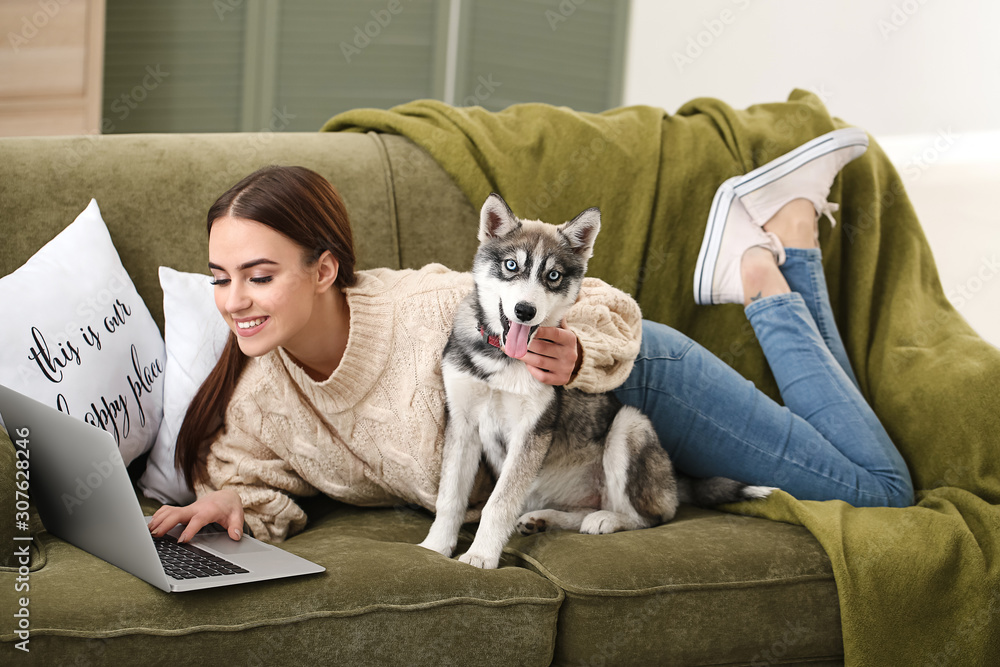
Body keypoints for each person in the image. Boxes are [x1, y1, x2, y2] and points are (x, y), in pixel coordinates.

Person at [148, 129, 913, 545]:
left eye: (257, 274)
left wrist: (579, 351)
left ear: (323, 270)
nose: (234, 301)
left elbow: (604, 303)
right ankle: (790, 234)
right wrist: (224, 505)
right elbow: (248, 481)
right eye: (218, 276)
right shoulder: (260, 400)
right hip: (574, 452)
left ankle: (756, 269)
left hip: (634, 381)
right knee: (844, 458)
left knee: (881, 491)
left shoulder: (426, 307)